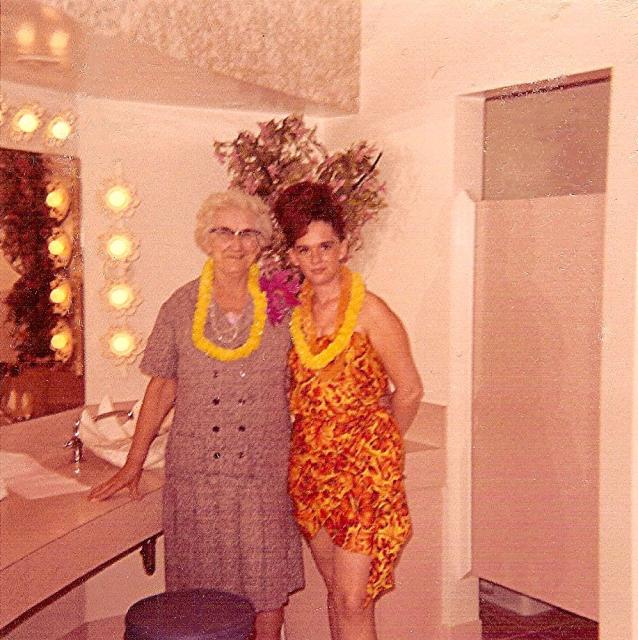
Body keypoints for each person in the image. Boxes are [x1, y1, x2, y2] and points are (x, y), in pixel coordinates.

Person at [89, 190, 304, 640]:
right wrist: (132, 463)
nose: (236, 243)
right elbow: (162, 386)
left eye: (248, 233)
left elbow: (304, 384)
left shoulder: (284, 304)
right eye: (224, 231)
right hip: (196, 479)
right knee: (197, 597)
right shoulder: (181, 305)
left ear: (262, 242)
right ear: (206, 239)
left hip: (263, 476)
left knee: (267, 591)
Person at [273, 181, 423, 640]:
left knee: (355, 600)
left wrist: (377, 446)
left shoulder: (371, 311)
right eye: (304, 250)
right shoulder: (293, 314)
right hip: (311, 468)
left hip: (362, 471)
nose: (317, 259)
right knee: (337, 593)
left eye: (325, 246)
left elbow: (409, 391)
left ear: (343, 247)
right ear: (292, 256)